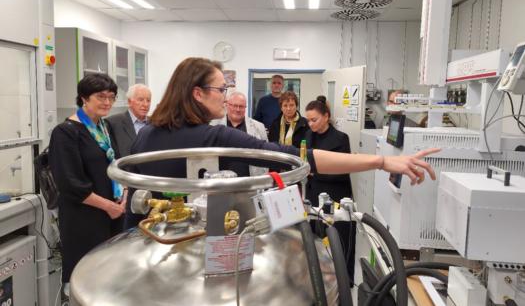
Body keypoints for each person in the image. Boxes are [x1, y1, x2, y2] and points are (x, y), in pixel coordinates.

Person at [123, 57, 439, 228]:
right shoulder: (214, 139)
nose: (226, 97)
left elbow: (133, 208)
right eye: (221, 89)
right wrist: (381, 162)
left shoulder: (146, 135)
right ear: (197, 93)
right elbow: (296, 158)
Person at [48, 73, 127, 291]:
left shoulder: (105, 127)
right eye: (101, 97)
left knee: (111, 277)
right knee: (87, 280)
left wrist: (124, 195)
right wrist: (109, 206)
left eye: (111, 97)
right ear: (84, 97)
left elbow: (117, 165)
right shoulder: (65, 132)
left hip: (113, 214)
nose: (108, 102)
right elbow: (70, 184)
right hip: (84, 219)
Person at [304, 95, 356, 284]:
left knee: (337, 242)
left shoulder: (341, 139)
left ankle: (343, 280)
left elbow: (343, 171)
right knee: (316, 239)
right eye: (308, 120)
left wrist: (314, 173)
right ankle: (318, 278)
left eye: (314, 120)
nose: (310, 124)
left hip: (335, 195)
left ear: (326, 116)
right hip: (313, 193)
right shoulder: (308, 136)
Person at [210, 91, 268, 176]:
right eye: (234, 105)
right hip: (221, 182)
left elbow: (266, 156)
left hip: (250, 182)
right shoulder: (213, 126)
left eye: (241, 106)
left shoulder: (259, 127)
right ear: (227, 105)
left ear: (245, 108)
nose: (237, 109)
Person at [106, 84, 152, 158]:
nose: (145, 104)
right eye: (140, 100)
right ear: (129, 102)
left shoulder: (155, 123)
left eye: (148, 100)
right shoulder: (112, 123)